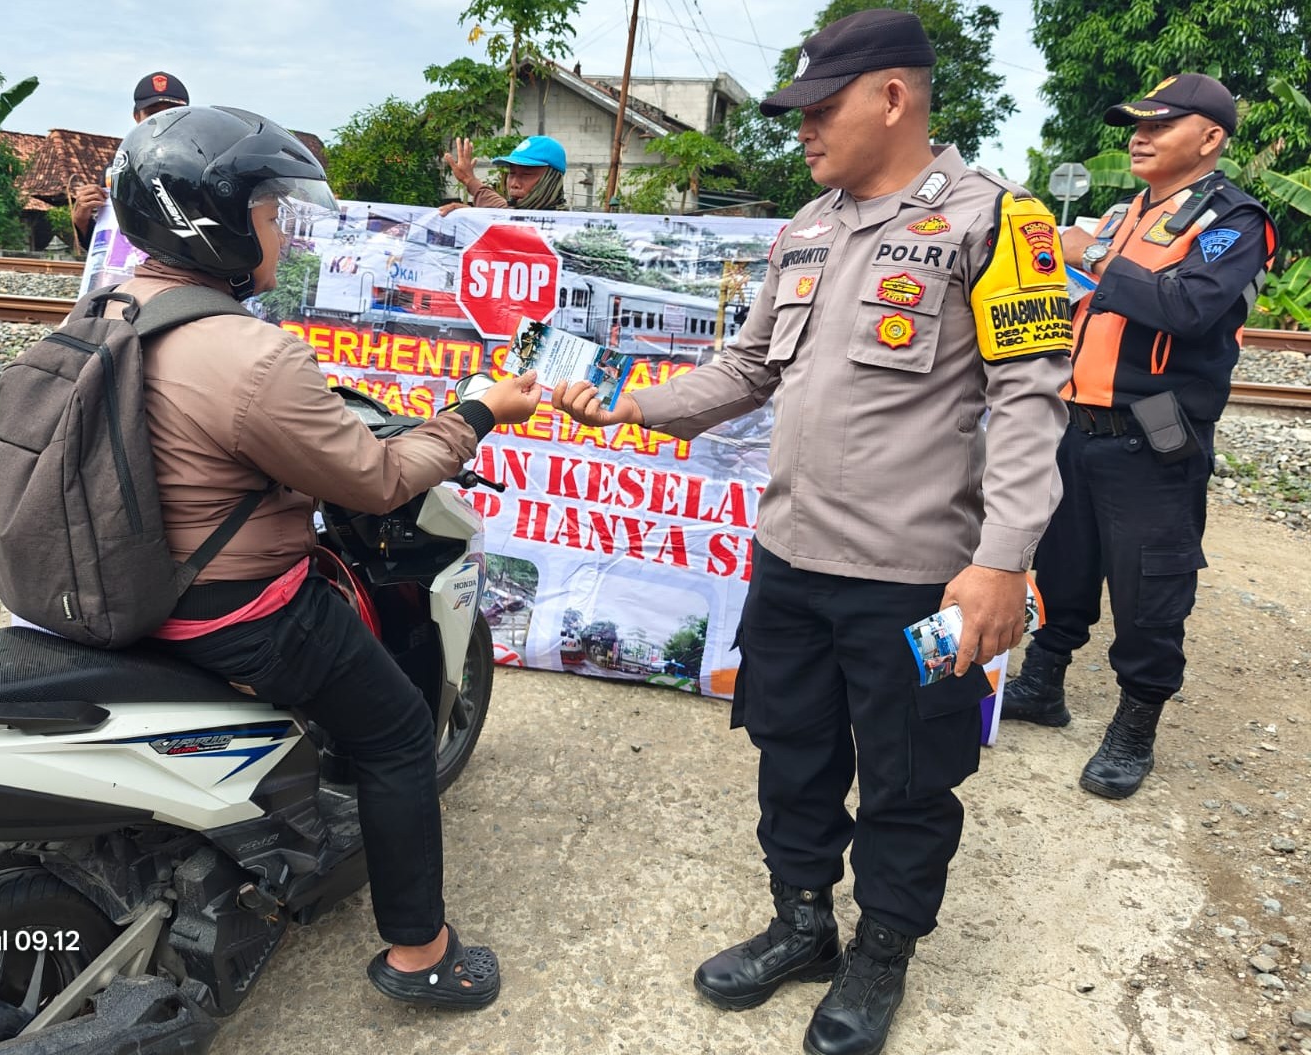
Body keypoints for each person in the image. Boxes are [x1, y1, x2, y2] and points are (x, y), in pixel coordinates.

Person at [551, 11, 1070, 1054]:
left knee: (910, 774)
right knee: (789, 748)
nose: (802, 129)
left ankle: (881, 949)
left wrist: (1001, 560)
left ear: (893, 97)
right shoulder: (807, 227)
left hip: (917, 580)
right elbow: (749, 367)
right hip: (788, 563)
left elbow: (1028, 399)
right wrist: (634, 406)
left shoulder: (996, 222)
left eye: (821, 108)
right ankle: (802, 922)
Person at [107, 104, 541, 1007]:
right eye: (269, 212)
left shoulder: (104, 312)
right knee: (397, 729)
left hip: (113, 591)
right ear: (217, 224)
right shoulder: (248, 352)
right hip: (234, 615)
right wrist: (479, 412)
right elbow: (376, 480)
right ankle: (422, 953)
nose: (281, 229)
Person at [1002, 74, 1277, 800]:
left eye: (1161, 124)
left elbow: (1190, 306)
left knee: (1151, 584)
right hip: (1077, 422)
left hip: (1155, 432)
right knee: (1061, 560)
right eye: (1137, 124)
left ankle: (1135, 725)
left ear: (1210, 138)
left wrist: (1088, 254)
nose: (1140, 135)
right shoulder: (1127, 213)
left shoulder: (1235, 219)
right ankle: (1044, 682)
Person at [69, 71, 191, 247]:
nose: (162, 121)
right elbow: (109, 249)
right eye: (152, 114)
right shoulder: (118, 170)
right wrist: (82, 222)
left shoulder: (203, 167)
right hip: (134, 264)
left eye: (172, 113)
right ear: (137, 117)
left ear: (188, 116)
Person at [439, 135, 568, 214]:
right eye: (512, 173)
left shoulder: (568, 230)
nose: (514, 184)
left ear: (551, 180)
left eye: (526, 174)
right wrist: (469, 180)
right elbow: (496, 204)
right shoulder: (509, 213)